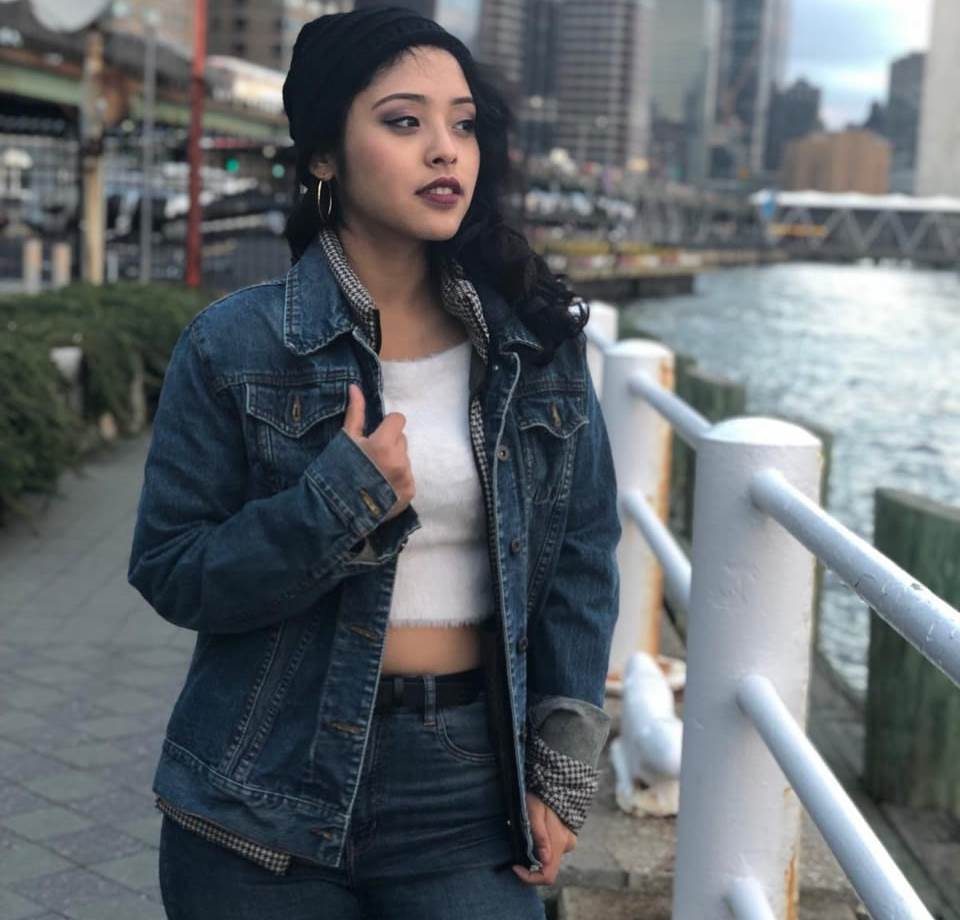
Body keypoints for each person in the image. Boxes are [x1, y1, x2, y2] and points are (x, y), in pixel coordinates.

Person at [128, 7, 622, 918]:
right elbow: (171, 569)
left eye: (462, 125)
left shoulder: (535, 344)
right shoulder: (235, 345)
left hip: (468, 787)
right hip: (261, 787)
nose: (445, 150)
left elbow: (583, 559)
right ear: (325, 154)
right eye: (404, 122)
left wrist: (560, 767)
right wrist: (331, 508)